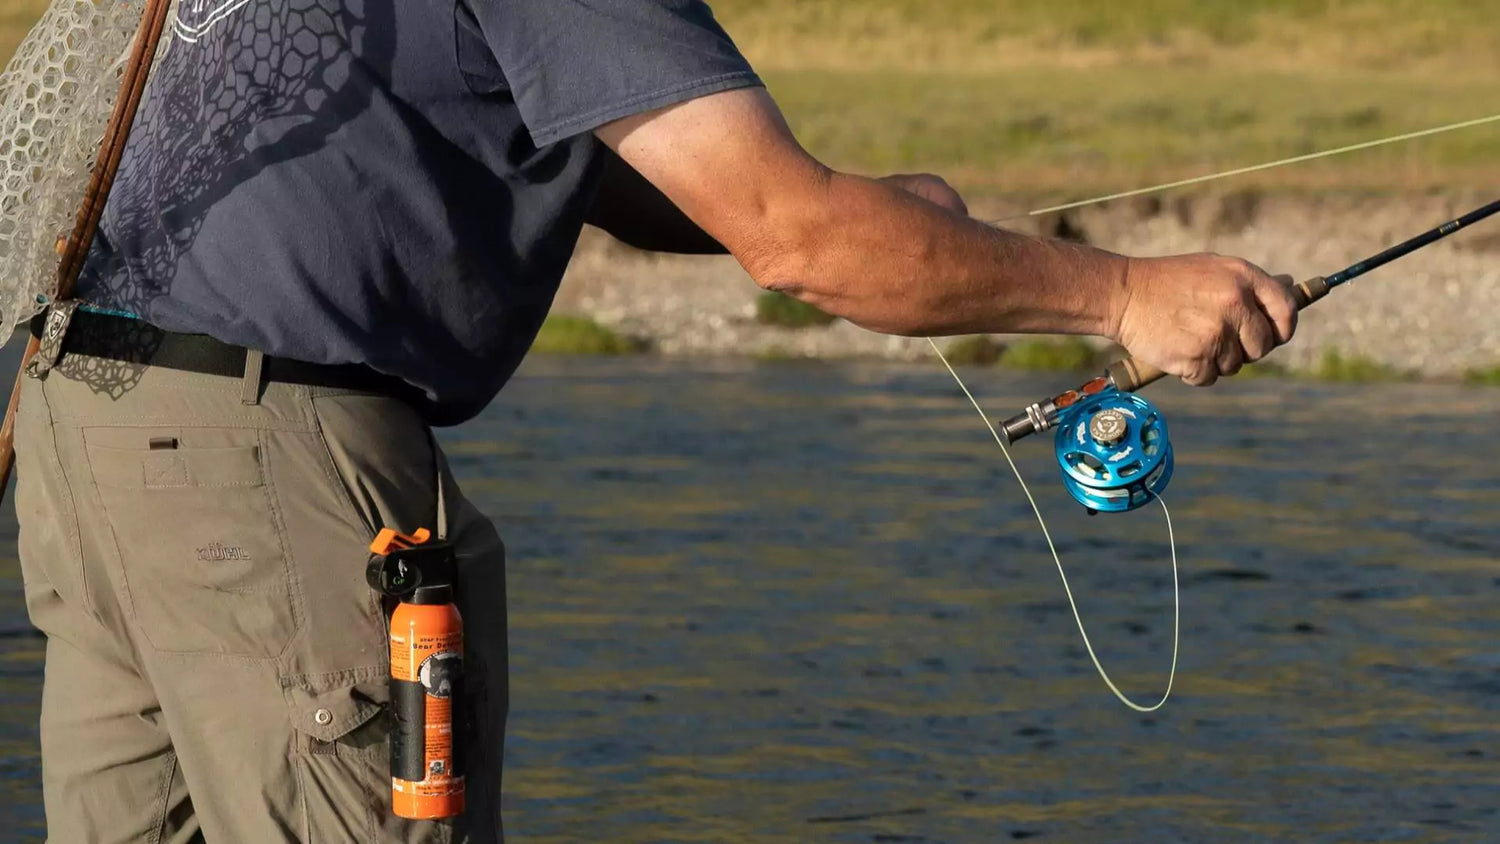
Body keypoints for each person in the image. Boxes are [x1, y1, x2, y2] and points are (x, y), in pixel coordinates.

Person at [13, 0, 1297, 841]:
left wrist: (874, 212)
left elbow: (588, 159)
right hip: (268, 471)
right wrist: (1127, 294)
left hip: (86, 436)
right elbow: (801, 243)